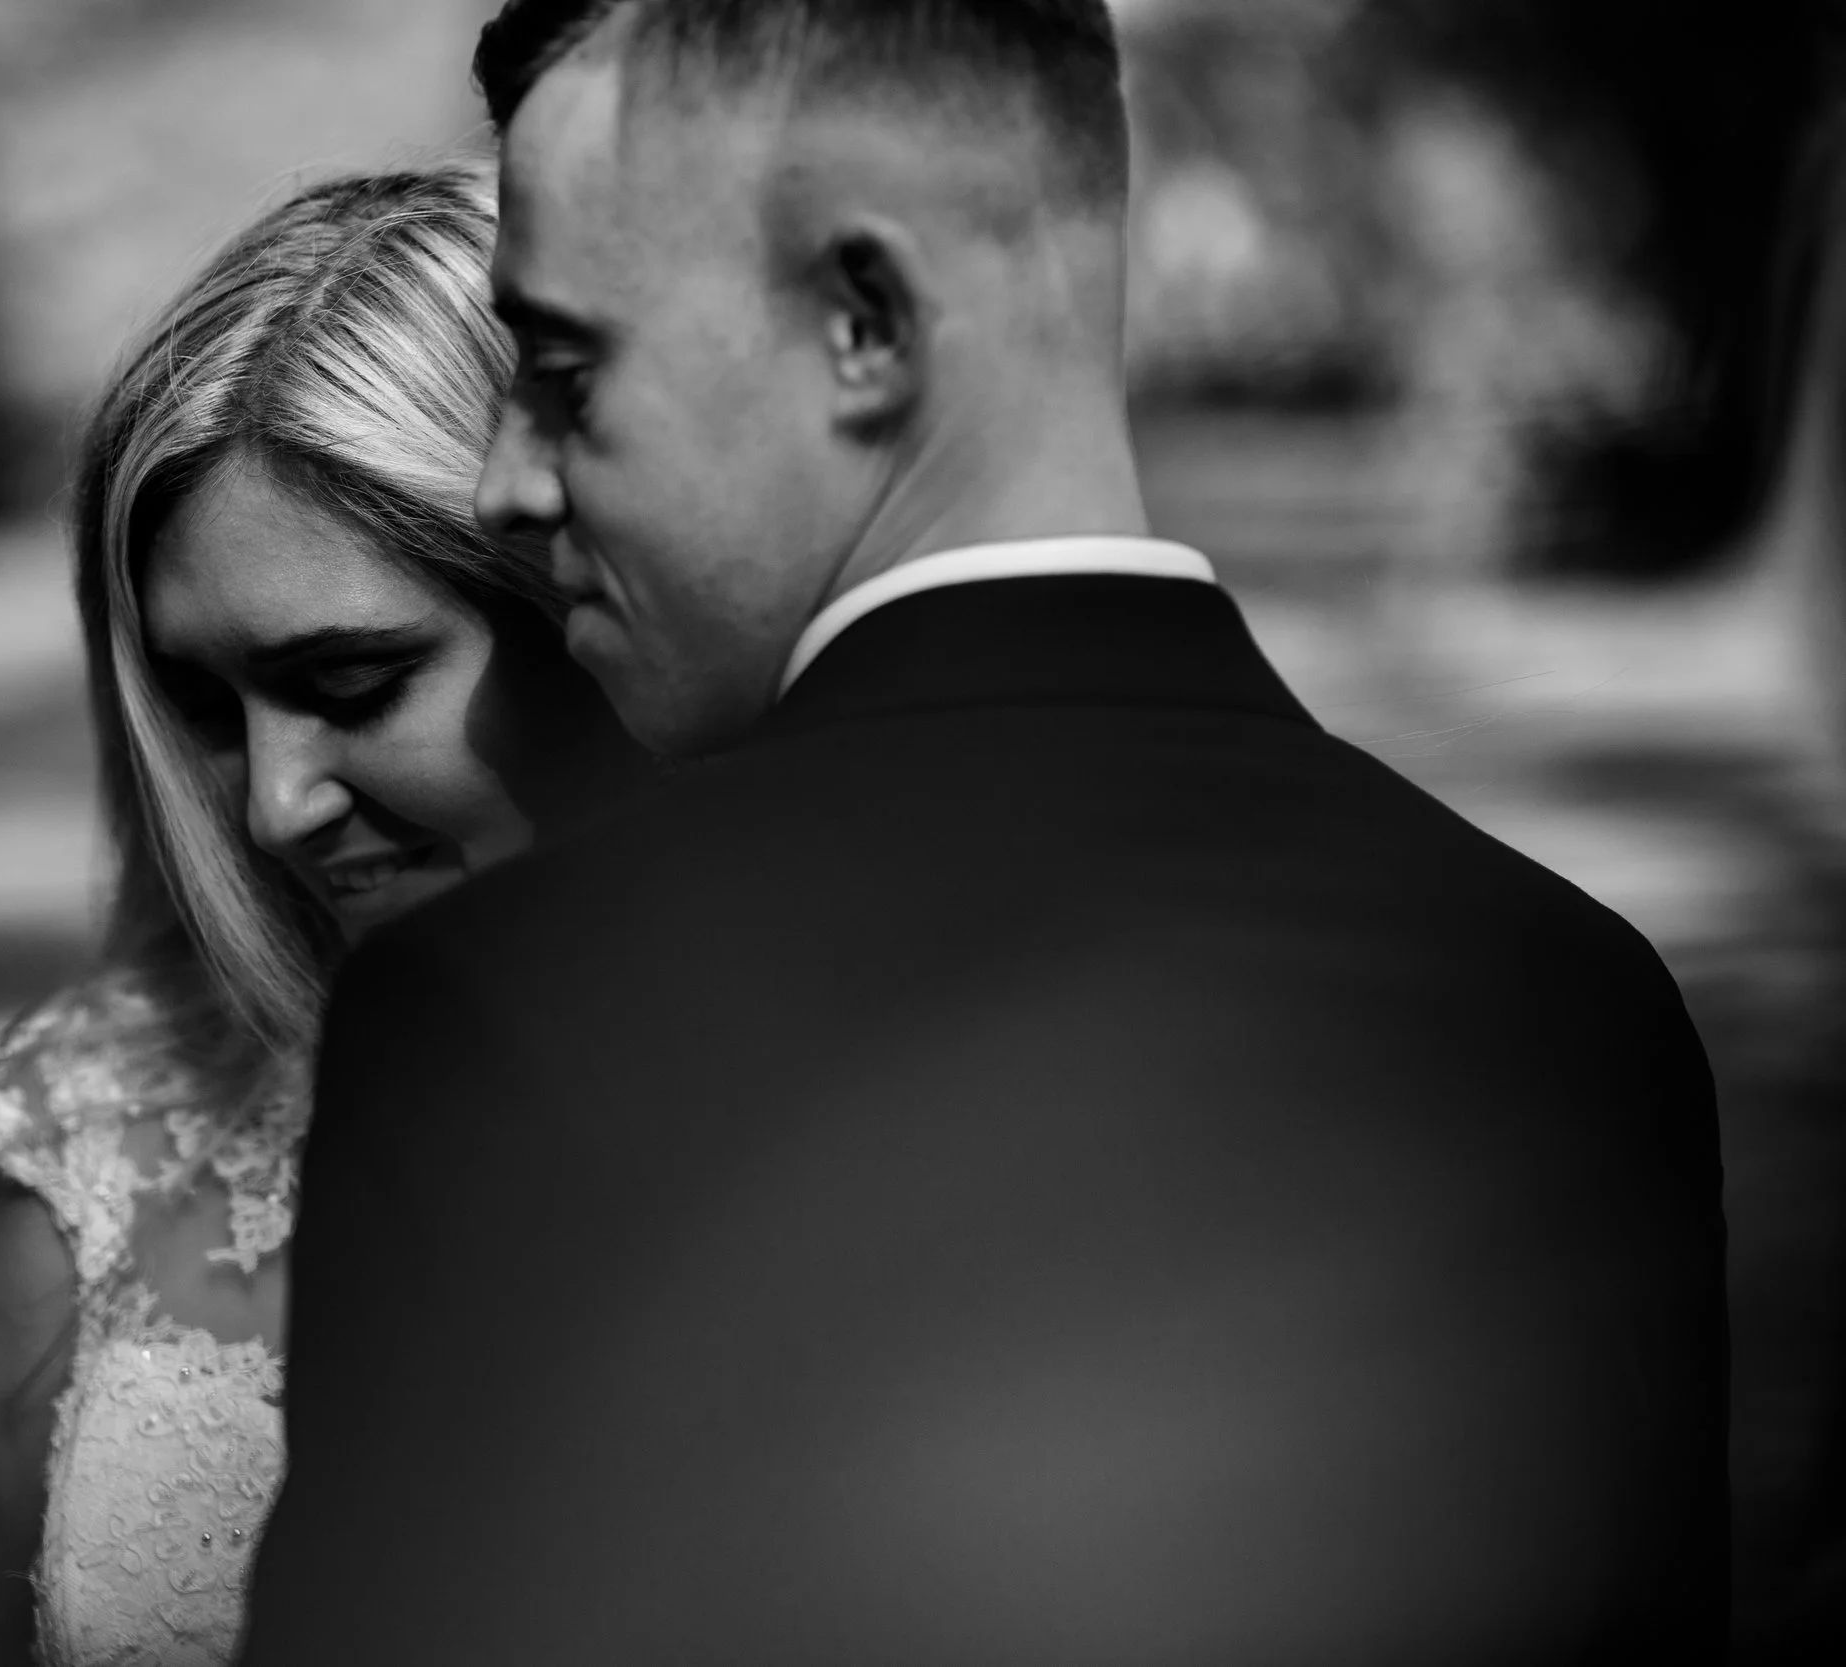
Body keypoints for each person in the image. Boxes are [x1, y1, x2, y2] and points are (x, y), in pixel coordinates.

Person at [239, 4, 1730, 1663]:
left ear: (867, 324)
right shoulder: (1575, 997)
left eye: (569, 373)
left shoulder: (504, 1009)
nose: (510, 484)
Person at [0, 159, 643, 1667]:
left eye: (350, 685)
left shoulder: (907, 1070)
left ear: (589, 606)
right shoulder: (100, 1134)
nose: (269, 806)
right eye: (203, 707)